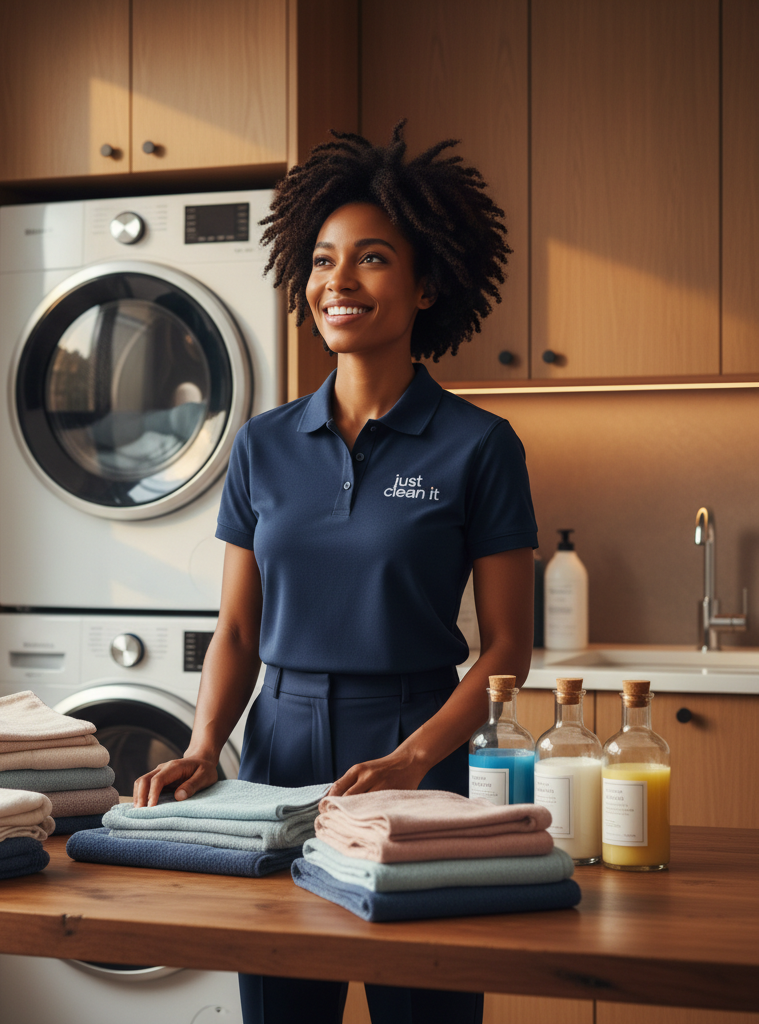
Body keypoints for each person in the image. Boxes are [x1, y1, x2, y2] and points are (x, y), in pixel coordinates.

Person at [134, 123, 537, 1024]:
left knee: (422, 1007)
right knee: (281, 1006)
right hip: (275, 748)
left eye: (372, 259)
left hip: (417, 746)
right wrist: (207, 746)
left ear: (428, 284)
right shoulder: (263, 444)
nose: (338, 282)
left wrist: (414, 759)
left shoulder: (480, 446)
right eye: (322, 260)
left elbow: (511, 645)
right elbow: (239, 629)